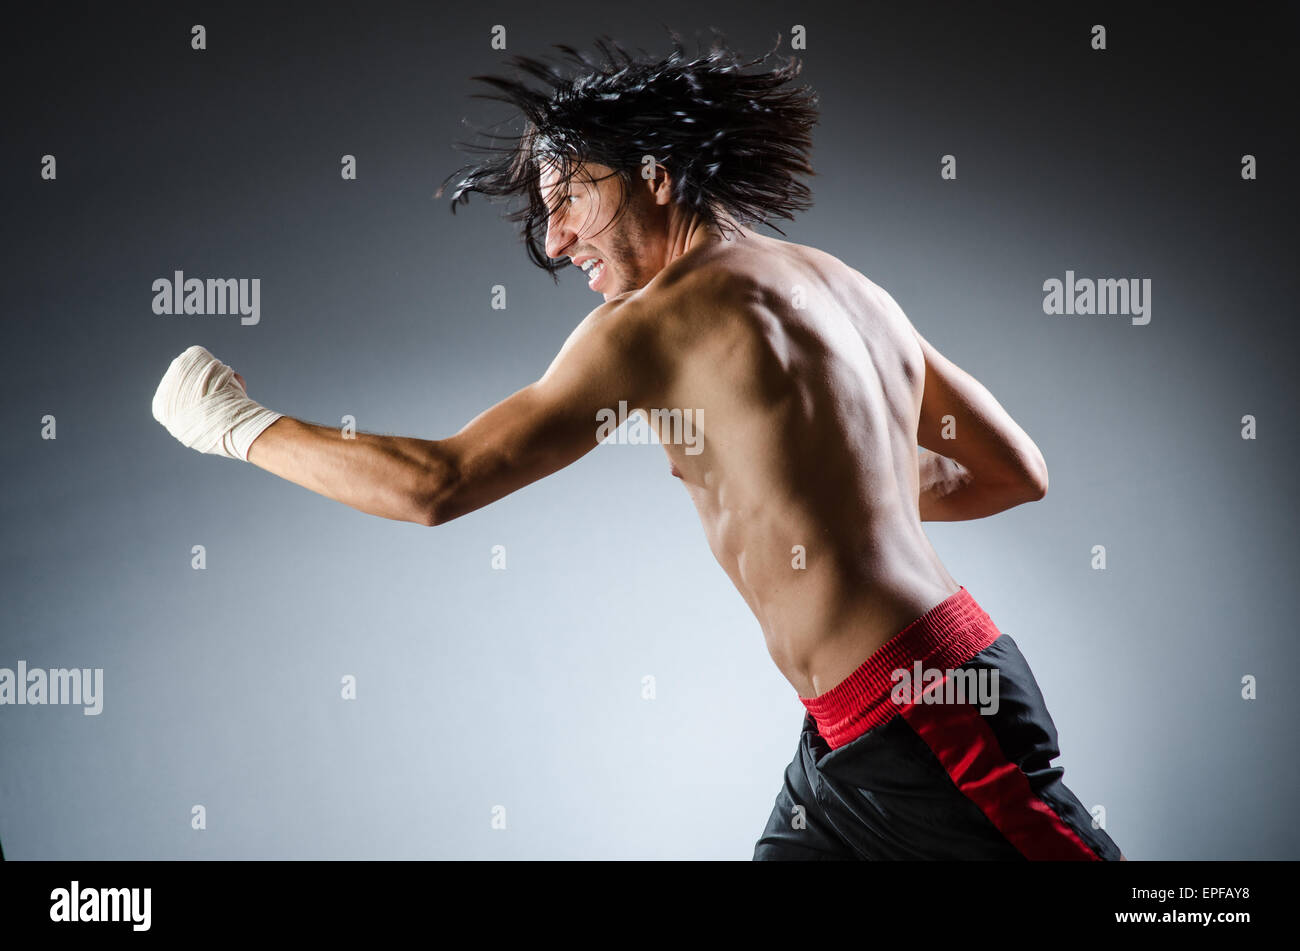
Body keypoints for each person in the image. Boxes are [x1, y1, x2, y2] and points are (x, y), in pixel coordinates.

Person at [152, 37, 1125, 860]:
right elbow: (1008, 471)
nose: (556, 233)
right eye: (544, 207)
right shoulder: (841, 282)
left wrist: (235, 425)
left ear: (656, 175)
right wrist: (832, 475)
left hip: (926, 716)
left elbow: (439, 485)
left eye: (570, 193)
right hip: (855, 732)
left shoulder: (652, 322)